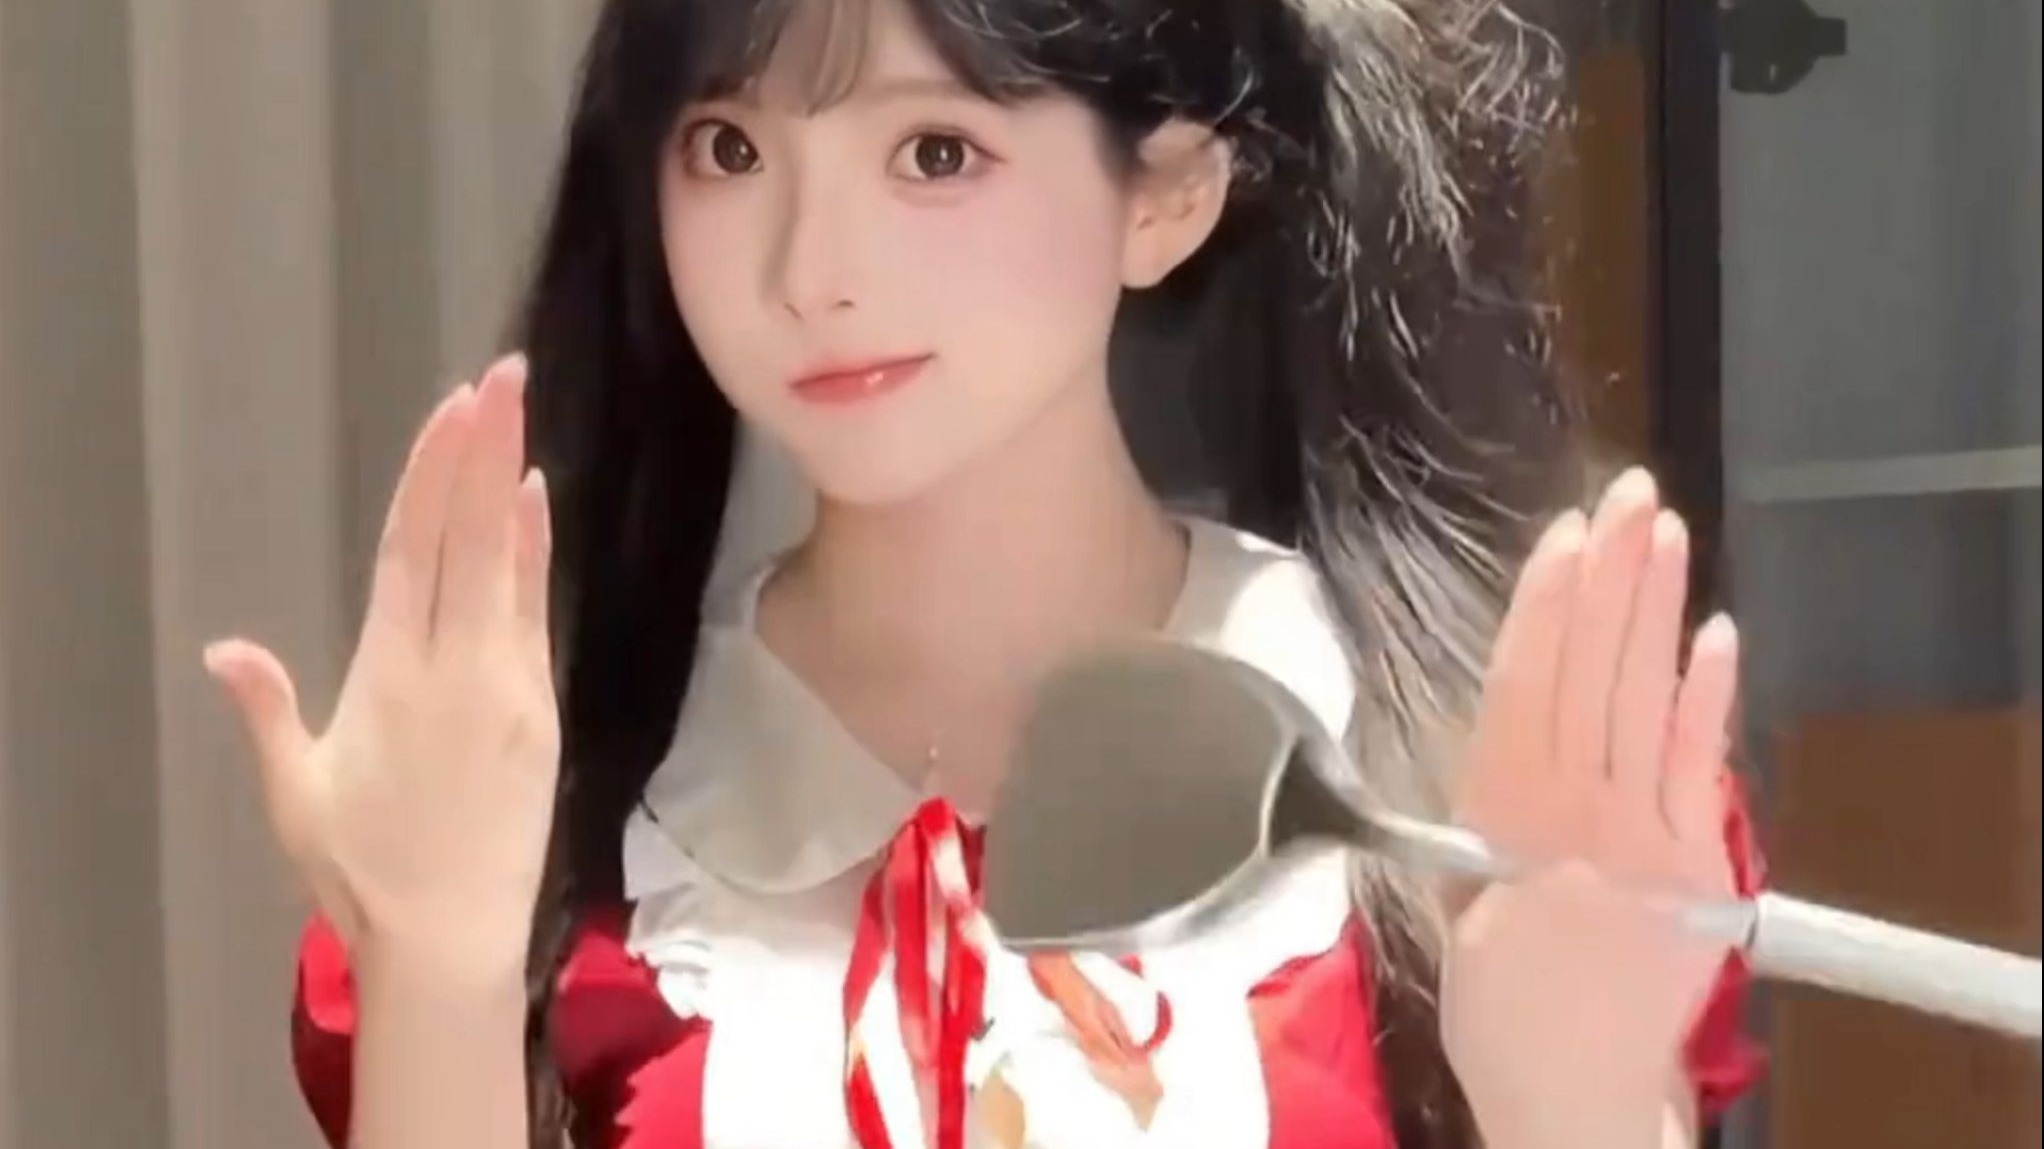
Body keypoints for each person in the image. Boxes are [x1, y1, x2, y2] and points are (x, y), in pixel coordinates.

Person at [206, 0, 1765, 1145]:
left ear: (1167, 190)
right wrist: (436, 977)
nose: (810, 270)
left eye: (934, 152)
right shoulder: (561, 812)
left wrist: (1573, 1104)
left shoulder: (1452, 783)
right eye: (729, 148)